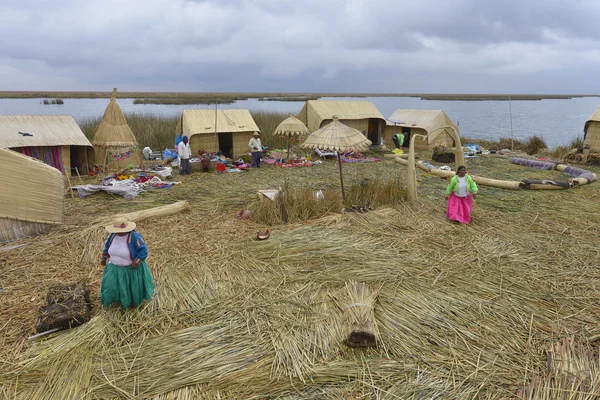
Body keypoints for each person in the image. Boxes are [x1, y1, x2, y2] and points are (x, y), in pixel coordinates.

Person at [100, 217, 155, 309]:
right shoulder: (112, 236)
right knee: (111, 286)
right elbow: (107, 247)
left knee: (131, 288)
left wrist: (137, 262)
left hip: (130, 270)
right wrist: (104, 257)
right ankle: (115, 300)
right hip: (114, 268)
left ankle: (131, 303)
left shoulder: (135, 237)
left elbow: (143, 251)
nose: (119, 232)